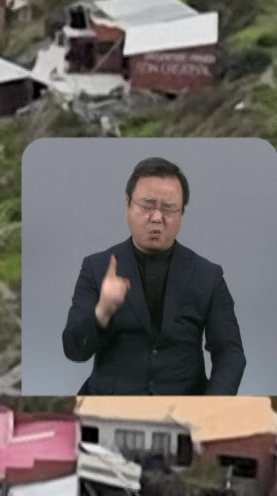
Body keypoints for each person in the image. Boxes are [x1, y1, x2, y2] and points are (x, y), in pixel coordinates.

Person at [61, 157, 244, 395]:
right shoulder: (96, 267)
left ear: (182, 213)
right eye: (147, 206)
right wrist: (103, 310)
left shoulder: (208, 275)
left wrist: (211, 407)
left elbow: (230, 353)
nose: (157, 217)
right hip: (111, 404)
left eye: (168, 208)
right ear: (127, 205)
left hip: (184, 405)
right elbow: (74, 350)